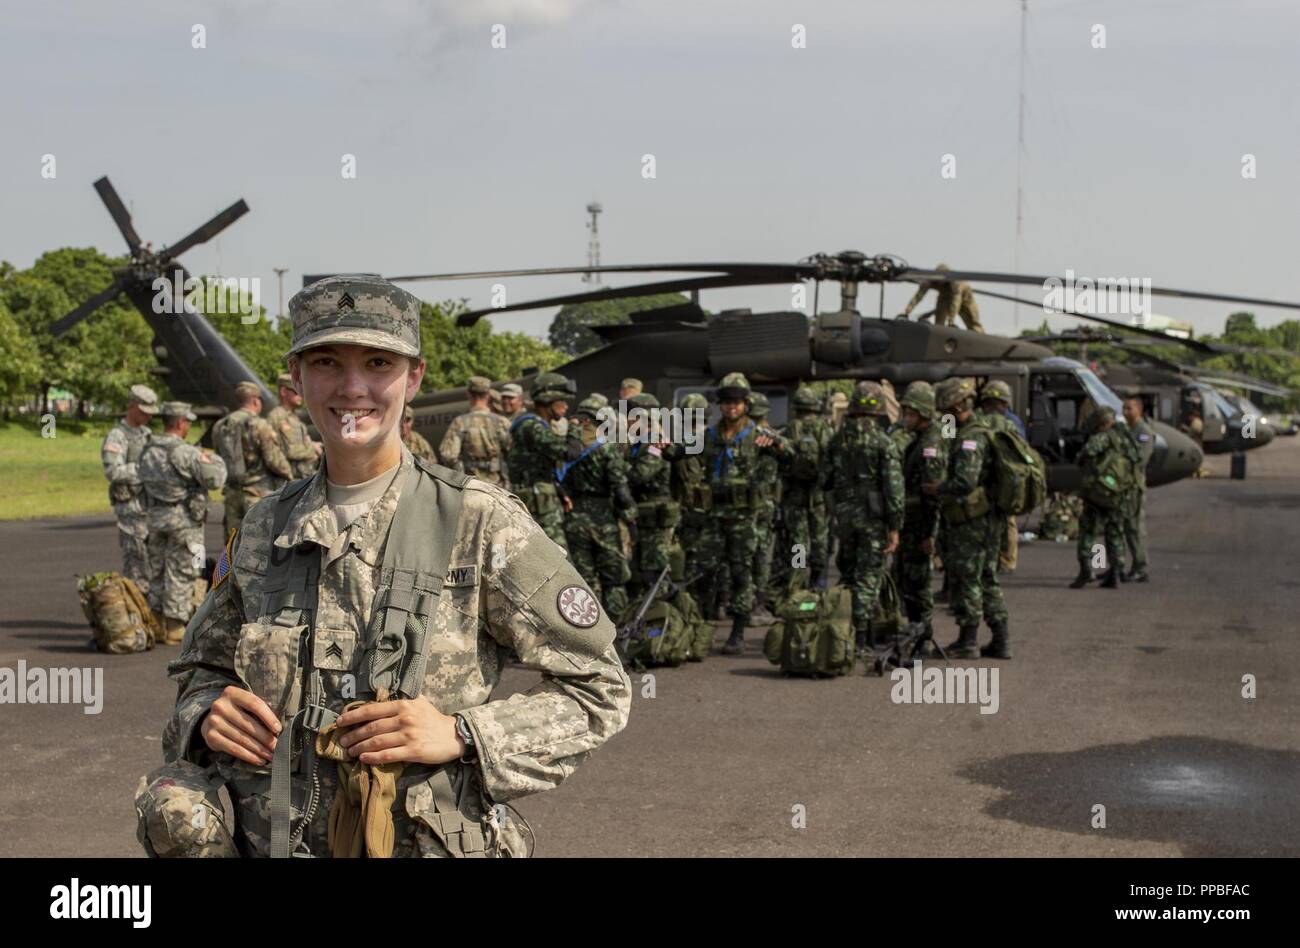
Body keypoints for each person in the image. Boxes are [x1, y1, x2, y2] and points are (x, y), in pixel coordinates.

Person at [143, 274, 630, 859]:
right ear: (296, 377)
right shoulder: (263, 529)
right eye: (327, 362)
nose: (353, 388)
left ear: (414, 376)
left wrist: (461, 733)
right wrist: (206, 713)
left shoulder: (479, 522)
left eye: (378, 362)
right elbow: (200, 671)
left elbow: (599, 688)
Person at [923, 377, 1010, 658]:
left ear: (958, 405)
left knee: (969, 577)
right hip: (987, 518)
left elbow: (965, 481)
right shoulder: (979, 430)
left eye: (946, 409)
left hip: (973, 520)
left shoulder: (971, 436)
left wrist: (939, 487)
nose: (944, 414)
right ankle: (1001, 639)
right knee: (987, 577)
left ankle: (968, 640)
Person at [699, 373, 784, 654]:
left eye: (736, 402)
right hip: (715, 517)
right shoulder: (709, 436)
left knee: (740, 574)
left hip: (744, 518)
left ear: (745, 405)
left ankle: (737, 632)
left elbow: (794, 457)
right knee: (707, 570)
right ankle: (701, 627)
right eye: (725, 402)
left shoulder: (759, 436)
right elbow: (680, 451)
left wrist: (778, 444)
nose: (730, 407)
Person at [825, 381, 903, 657]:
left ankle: (840, 633)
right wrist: (895, 526)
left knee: (848, 574)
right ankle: (860, 641)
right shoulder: (883, 442)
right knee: (868, 577)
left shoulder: (836, 440)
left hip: (845, 520)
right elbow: (893, 489)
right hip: (873, 521)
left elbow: (825, 480)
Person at [138, 402, 227, 644]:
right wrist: (213, 459)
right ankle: (175, 626)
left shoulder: (148, 450)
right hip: (183, 522)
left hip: (155, 519)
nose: (189, 426)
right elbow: (215, 480)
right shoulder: (185, 452)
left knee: (156, 570)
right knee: (182, 571)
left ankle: (155, 621)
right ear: (179, 423)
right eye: (187, 421)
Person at [558, 396, 637, 620]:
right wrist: (631, 519)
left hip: (573, 518)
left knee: (584, 579)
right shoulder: (607, 448)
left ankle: (587, 629)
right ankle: (617, 632)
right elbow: (620, 490)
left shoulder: (567, 446)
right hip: (603, 520)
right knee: (614, 577)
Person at [896, 382, 946, 651]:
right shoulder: (920, 440)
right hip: (912, 523)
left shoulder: (930, 446)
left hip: (921, 526)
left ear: (924, 413)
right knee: (910, 580)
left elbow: (932, 495)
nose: (907, 418)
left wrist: (930, 533)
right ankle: (916, 632)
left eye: (911, 413)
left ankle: (923, 639)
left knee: (920, 584)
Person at [770, 386, 833, 594]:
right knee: (820, 539)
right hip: (818, 496)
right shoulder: (824, 428)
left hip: (794, 496)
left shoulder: (789, 430)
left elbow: (780, 463)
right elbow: (830, 461)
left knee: (798, 541)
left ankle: (797, 580)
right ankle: (819, 581)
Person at [213, 381, 293, 538]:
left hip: (232, 493)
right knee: (258, 546)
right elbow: (273, 460)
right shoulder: (260, 425)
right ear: (256, 401)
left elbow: (219, 456)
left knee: (232, 544)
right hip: (257, 494)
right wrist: (289, 476)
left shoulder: (220, 426)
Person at [100, 384, 158, 597]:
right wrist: (144, 470)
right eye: (143, 412)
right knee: (136, 564)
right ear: (132, 407)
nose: (148, 417)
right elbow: (113, 471)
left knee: (150, 563)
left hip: (148, 507)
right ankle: (135, 615)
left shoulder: (147, 434)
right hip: (130, 509)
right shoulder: (117, 436)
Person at [507, 373, 577, 549]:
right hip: (538, 502)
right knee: (561, 559)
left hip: (539, 496)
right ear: (549, 401)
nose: (566, 407)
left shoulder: (533, 424)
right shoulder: (532, 426)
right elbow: (569, 452)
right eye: (562, 401)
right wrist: (575, 427)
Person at [1072, 405, 1137, 589]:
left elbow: (1086, 454)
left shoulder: (1102, 437)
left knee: (1089, 531)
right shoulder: (1126, 438)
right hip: (1120, 493)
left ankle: (1086, 570)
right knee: (1115, 532)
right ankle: (1115, 573)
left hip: (1098, 493)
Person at [977, 379, 1025, 572]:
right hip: (1000, 477)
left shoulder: (1009, 423)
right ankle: (1001, 559)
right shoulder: (1011, 422)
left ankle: (1006, 559)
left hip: (1003, 476)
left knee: (1007, 521)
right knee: (1003, 520)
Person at [746, 391, 782, 613]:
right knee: (760, 553)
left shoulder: (752, 436)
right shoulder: (772, 436)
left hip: (753, 505)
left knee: (748, 554)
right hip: (765, 504)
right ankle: (757, 600)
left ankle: (751, 599)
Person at [439, 377, 511, 487]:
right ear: (488, 395)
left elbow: (448, 455)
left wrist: (460, 474)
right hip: (498, 486)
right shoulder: (502, 422)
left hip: (471, 486)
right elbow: (512, 451)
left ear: (468, 394)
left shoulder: (460, 423)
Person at [1121, 396, 1154, 582]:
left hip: (1134, 485)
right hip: (1125, 485)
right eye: (1124, 408)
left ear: (1139, 410)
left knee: (1135, 527)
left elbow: (1141, 459)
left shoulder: (1144, 432)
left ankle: (1141, 567)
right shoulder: (1127, 430)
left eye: (1129, 409)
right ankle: (1135, 567)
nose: (1125, 412)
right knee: (1128, 527)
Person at [266, 372, 322, 479]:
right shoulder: (278, 417)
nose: (301, 395)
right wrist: (312, 448)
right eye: (296, 391)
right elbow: (288, 451)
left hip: (303, 477)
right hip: (288, 481)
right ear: (283, 392)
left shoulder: (294, 417)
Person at [899, 263, 985, 332]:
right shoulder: (930, 280)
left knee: (973, 324)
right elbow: (918, 296)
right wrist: (906, 312)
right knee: (939, 326)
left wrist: (951, 321)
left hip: (965, 299)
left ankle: (983, 341)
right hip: (945, 296)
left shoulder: (956, 283)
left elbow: (955, 302)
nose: (939, 283)